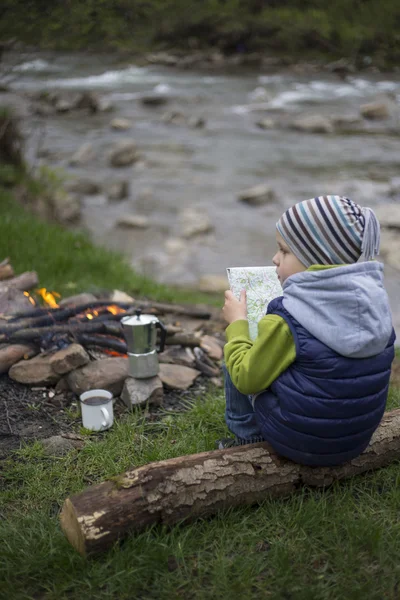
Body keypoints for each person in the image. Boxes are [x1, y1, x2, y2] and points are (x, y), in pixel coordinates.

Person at [219, 195, 396, 466]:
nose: (275, 258)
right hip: (355, 440)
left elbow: (247, 379)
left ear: (315, 256)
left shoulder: (287, 317)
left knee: (237, 359)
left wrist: (237, 324)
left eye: (284, 251)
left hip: (303, 442)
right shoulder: (376, 301)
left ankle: (247, 440)